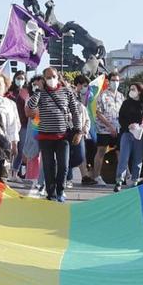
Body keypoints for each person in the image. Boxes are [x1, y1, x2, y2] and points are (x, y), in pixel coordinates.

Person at [26, 67, 85, 202]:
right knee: (48, 166)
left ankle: (60, 190)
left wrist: (78, 130)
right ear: (43, 79)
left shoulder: (66, 92)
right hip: (45, 137)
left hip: (63, 136)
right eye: (48, 77)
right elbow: (31, 106)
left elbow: (75, 112)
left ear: (58, 77)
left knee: (63, 165)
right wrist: (39, 90)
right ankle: (51, 193)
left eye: (53, 76)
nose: (51, 79)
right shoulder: (41, 92)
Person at [116, 83, 143, 192]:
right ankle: (119, 181)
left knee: (138, 158)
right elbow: (121, 118)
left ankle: (135, 180)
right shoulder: (126, 103)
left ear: (140, 91)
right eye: (130, 89)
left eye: (133, 89)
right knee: (124, 157)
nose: (131, 91)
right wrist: (128, 125)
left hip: (140, 135)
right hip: (127, 133)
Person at [90, 71, 124, 187]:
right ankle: (96, 176)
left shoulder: (121, 96)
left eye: (117, 80)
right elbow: (99, 113)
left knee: (120, 152)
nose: (116, 83)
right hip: (104, 129)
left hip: (118, 128)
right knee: (101, 151)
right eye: (113, 80)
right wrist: (110, 126)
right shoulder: (103, 95)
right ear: (109, 81)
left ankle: (123, 176)